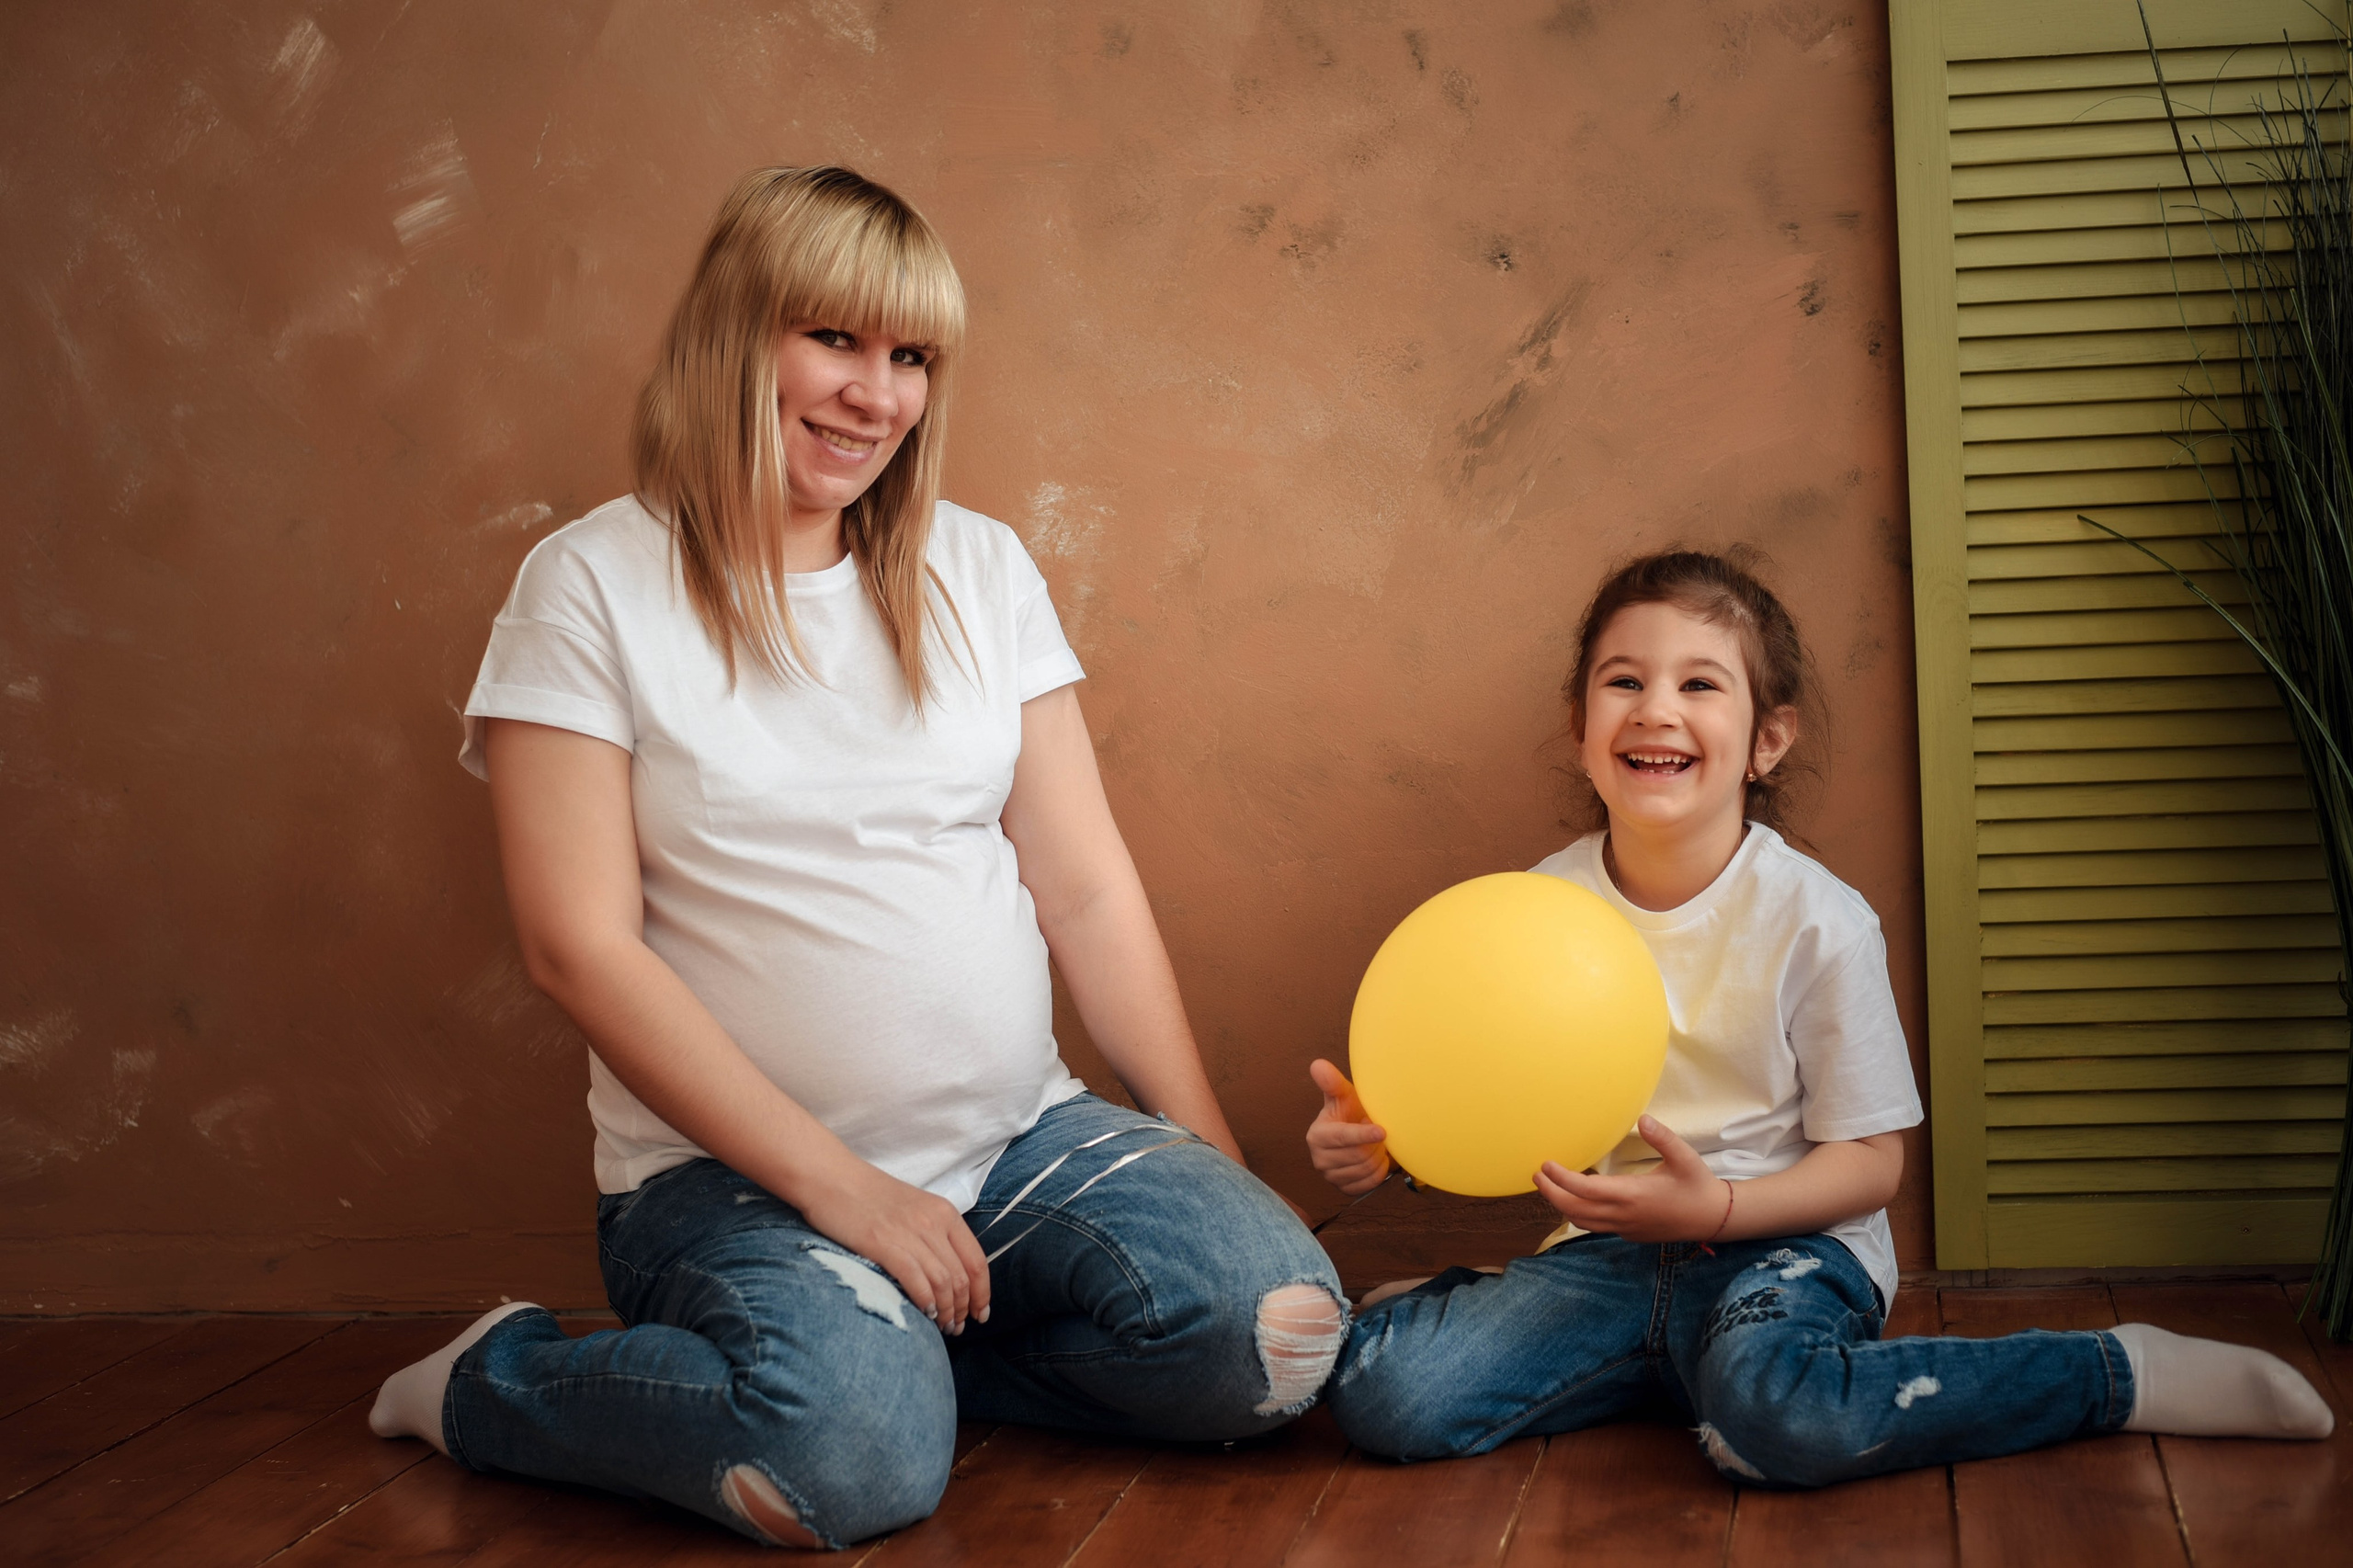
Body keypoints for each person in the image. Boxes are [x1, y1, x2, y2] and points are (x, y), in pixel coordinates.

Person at [366, 165, 1345, 1549]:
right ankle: (490, 1381)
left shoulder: (983, 568)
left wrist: (1214, 1159)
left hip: (1016, 1140)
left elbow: (1085, 889)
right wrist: (850, 1191)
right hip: (732, 1186)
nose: (874, 395)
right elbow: (576, 945)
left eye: (911, 358)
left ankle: (909, 1364)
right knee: (846, 1466)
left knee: (1279, 1338)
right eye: (833, 338)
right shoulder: (590, 583)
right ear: (733, 334)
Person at [1304, 549, 2334, 1483]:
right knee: (1387, 1398)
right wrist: (1387, 1145)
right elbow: (1498, 1093)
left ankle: (2109, 1371)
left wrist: (1715, 1215)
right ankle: (1549, 1328)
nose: (1655, 708)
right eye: (1624, 680)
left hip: (1785, 1246)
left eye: (1698, 683)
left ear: (1767, 739)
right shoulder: (1535, 905)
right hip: (1608, 1253)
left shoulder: (1817, 919)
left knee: (1780, 1418)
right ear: (1580, 731)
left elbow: (1872, 1160)